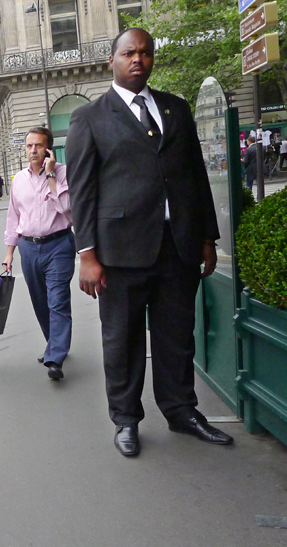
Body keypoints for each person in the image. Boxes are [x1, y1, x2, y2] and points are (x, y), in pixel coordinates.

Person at [66, 28, 232, 457]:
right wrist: (87, 254)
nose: (137, 59)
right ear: (113, 61)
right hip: (119, 253)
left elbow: (195, 177)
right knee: (122, 340)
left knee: (177, 335)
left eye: (144, 53)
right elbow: (82, 191)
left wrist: (207, 238)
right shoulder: (90, 117)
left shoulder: (175, 109)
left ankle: (182, 412)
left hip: (177, 248)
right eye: (128, 53)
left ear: (152, 58)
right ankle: (126, 419)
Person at [3, 127, 75, 381]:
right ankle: (54, 343)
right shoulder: (18, 180)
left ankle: (55, 355)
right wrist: (9, 253)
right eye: (29, 146)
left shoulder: (64, 173)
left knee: (58, 301)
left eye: (38, 146)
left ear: (48, 149)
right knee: (40, 301)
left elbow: (68, 210)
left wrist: (51, 174)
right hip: (28, 247)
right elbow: (14, 218)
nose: (32, 151)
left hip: (59, 245)